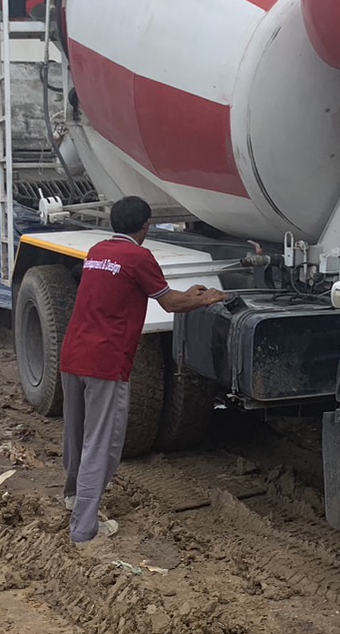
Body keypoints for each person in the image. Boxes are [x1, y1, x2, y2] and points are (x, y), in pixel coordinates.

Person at [60, 195, 227, 544]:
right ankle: (84, 529)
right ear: (146, 226)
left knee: (76, 436)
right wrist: (204, 299)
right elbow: (169, 304)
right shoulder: (139, 256)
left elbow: (138, 289)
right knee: (101, 444)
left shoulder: (98, 252)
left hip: (73, 355)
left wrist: (188, 294)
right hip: (105, 362)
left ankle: (73, 498)